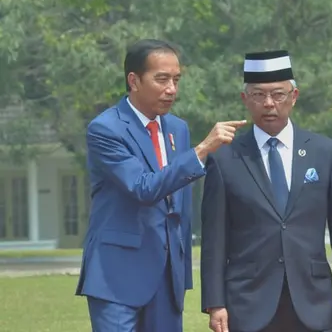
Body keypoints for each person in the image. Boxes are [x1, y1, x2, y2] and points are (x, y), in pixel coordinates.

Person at [77, 39, 247, 331]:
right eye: (162, 79)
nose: (172, 89)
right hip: (117, 275)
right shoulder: (105, 129)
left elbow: (179, 204)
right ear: (134, 80)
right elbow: (143, 188)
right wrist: (202, 150)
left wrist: (181, 271)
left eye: (176, 80)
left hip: (167, 278)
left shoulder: (177, 128)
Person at [200, 50, 332, 332]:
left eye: (278, 94)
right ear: (244, 99)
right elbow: (214, 239)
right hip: (248, 301)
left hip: (312, 299)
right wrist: (215, 302)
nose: (269, 104)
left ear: (294, 96)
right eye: (258, 95)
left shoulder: (325, 153)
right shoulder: (225, 159)